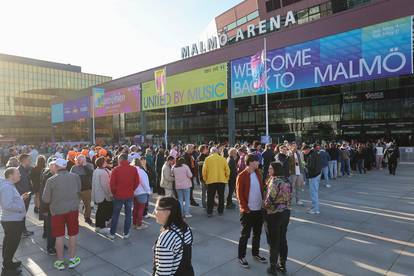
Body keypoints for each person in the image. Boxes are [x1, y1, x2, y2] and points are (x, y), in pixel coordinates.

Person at [42, 158, 82, 271]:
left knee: (59, 236)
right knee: (73, 234)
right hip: (72, 210)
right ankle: (72, 259)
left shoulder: (51, 180)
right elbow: (79, 191)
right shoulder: (75, 176)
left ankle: (59, 261)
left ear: (56, 166)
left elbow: (46, 199)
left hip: (57, 211)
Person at [236, 153, 267, 268]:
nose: (259, 163)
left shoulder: (258, 173)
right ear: (250, 162)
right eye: (257, 161)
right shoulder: (242, 176)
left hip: (259, 210)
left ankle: (256, 253)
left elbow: (261, 188)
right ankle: (241, 256)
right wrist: (245, 208)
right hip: (248, 211)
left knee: (257, 234)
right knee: (245, 235)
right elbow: (239, 195)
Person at [153, 197, 194, 276]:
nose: (154, 213)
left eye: (157, 209)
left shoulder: (167, 237)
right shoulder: (185, 228)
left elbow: (163, 272)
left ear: (167, 212)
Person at [263, 162, 292, 275]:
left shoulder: (274, 181)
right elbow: (290, 195)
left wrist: (264, 207)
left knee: (274, 241)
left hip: (274, 214)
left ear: (275, 170)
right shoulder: (286, 180)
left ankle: (273, 267)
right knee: (283, 239)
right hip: (286, 212)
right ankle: (283, 265)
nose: (269, 170)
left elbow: (270, 199)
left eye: (270, 168)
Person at [0, 168, 29, 276]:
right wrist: (20, 208)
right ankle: (7, 269)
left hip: (11, 220)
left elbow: (9, 201)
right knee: (11, 244)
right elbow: (7, 205)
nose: (20, 175)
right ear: (11, 175)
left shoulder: (9, 185)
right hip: (12, 221)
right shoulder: (7, 187)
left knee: (8, 243)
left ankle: (8, 263)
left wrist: (21, 198)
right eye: (18, 173)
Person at [107, 154, 140, 239]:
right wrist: (132, 189)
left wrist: (115, 193)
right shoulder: (133, 169)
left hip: (118, 195)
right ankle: (126, 233)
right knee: (128, 214)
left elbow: (112, 184)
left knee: (115, 215)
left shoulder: (116, 169)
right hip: (129, 195)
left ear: (120, 159)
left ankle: (112, 233)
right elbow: (137, 182)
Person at [202, 147, 230, 217]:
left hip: (211, 180)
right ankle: (220, 211)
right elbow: (227, 170)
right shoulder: (223, 159)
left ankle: (209, 212)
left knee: (210, 197)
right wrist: (226, 178)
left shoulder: (207, 159)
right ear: (217, 152)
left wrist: (205, 179)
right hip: (221, 180)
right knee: (221, 196)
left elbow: (204, 171)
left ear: (211, 152)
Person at [39, 157, 57, 255]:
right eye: (56, 166)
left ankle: (58, 243)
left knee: (56, 227)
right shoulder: (48, 177)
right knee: (51, 228)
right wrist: (45, 209)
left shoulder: (53, 175)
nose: (58, 168)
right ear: (51, 167)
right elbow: (45, 195)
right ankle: (50, 247)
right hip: (49, 207)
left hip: (55, 207)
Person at [70, 154, 94, 225]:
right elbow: (71, 178)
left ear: (85, 160)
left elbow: (90, 174)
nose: (80, 161)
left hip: (87, 189)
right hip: (77, 190)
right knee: (75, 206)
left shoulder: (89, 166)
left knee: (87, 205)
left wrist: (84, 166)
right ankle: (75, 219)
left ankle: (87, 217)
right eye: (79, 160)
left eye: (82, 160)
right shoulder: (74, 167)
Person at [92, 157, 113, 234]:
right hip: (103, 195)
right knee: (103, 211)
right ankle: (102, 227)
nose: (106, 162)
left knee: (99, 211)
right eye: (104, 162)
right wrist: (110, 194)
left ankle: (98, 226)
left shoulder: (97, 170)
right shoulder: (102, 172)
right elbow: (106, 186)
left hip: (98, 194)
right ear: (102, 163)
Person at [15, 154, 34, 237]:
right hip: (22, 196)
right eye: (28, 159)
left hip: (27, 195)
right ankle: (22, 231)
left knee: (23, 213)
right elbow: (14, 184)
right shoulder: (18, 170)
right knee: (21, 214)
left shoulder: (27, 169)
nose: (30, 160)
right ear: (23, 160)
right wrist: (22, 194)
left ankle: (22, 230)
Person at [131, 158, 152, 230]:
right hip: (142, 192)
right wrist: (148, 191)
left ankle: (134, 222)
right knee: (141, 209)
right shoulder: (141, 171)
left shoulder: (131, 171)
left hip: (134, 192)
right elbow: (144, 182)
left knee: (135, 208)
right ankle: (139, 224)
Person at [302, 145, 322, 215]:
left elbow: (311, 166)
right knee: (315, 192)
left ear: (307, 150)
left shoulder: (311, 155)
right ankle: (314, 207)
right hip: (317, 174)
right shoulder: (315, 153)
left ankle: (315, 209)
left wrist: (304, 164)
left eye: (303, 151)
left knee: (313, 193)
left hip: (314, 175)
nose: (303, 152)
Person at [287, 142, 305, 206]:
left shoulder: (297, 153)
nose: (295, 147)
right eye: (293, 146)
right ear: (291, 146)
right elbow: (289, 163)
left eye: (296, 146)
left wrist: (301, 172)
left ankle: (298, 200)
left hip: (298, 172)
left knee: (298, 187)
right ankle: (289, 201)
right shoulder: (289, 153)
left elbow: (300, 162)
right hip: (293, 173)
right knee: (291, 188)